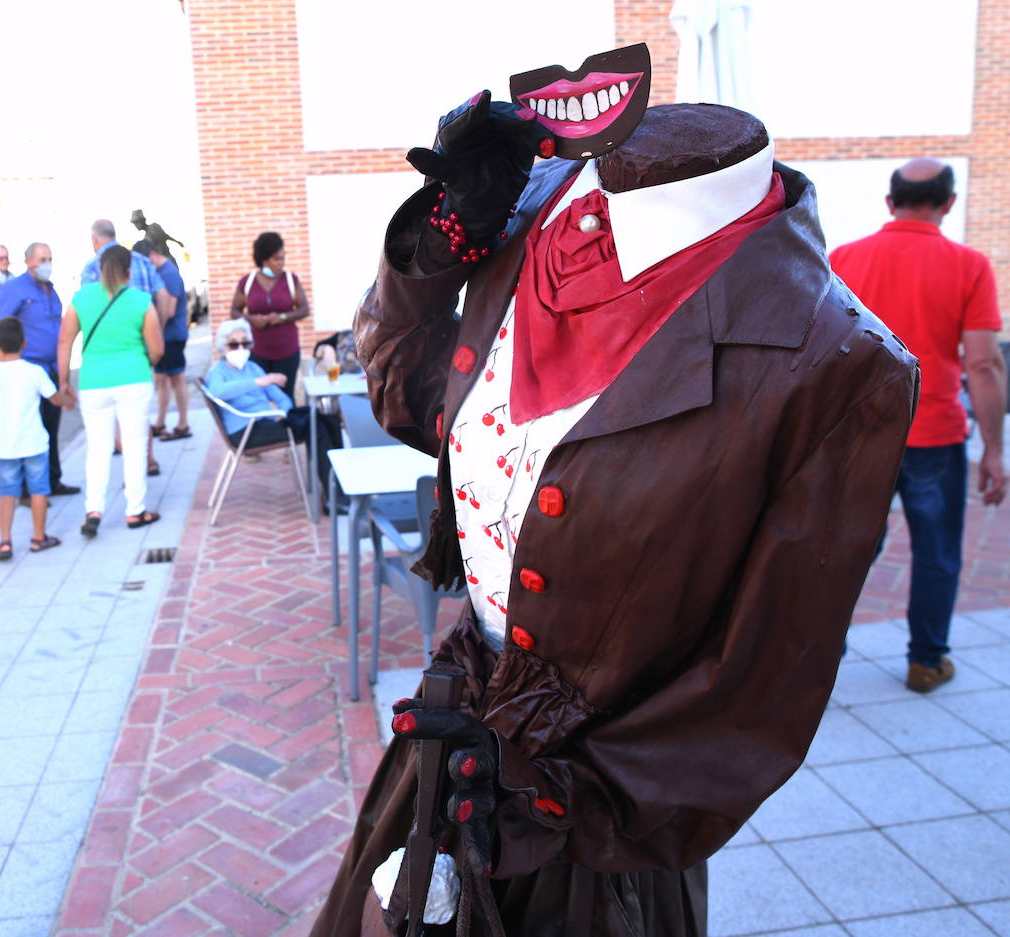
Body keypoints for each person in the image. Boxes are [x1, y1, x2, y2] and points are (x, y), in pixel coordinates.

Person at [312, 51, 917, 936]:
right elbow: (409, 399)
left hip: (593, 823)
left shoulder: (836, 361)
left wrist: (557, 799)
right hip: (450, 739)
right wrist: (437, 247)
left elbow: (759, 687)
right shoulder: (527, 218)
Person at [830, 158, 1008, 694]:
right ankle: (926, 662)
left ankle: (819, 657)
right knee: (936, 551)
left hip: (858, 434)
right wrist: (995, 451)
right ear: (948, 203)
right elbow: (983, 364)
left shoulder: (843, 258)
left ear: (890, 202)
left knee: (844, 550)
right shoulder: (969, 265)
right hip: (933, 432)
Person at [58, 243, 163, 537]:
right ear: (128, 272)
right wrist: (143, 362)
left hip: (94, 383)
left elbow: (64, 341)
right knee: (134, 445)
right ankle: (135, 511)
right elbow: (157, 349)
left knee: (98, 448)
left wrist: (63, 381)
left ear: (101, 269)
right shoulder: (141, 301)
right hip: (134, 379)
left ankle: (94, 510)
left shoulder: (81, 298)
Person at [0, 242, 79, 496]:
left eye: (49, 258)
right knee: (30, 429)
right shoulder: (15, 289)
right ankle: (28, 489)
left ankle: (52, 480)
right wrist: (5, 357)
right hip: (28, 370)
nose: (46, 263)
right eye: (41, 259)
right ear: (28, 262)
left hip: (50, 370)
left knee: (51, 427)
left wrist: (63, 375)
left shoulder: (50, 289)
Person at [205, 318, 339, 493]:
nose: (241, 349)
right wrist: (259, 382)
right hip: (245, 431)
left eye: (245, 344)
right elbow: (217, 392)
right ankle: (334, 495)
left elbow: (281, 398)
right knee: (316, 426)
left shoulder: (252, 368)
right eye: (234, 345)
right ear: (223, 348)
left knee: (328, 421)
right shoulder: (217, 373)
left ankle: (339, 485)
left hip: (267, 422)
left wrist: (284, 413)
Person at [0, 316, 67, 560]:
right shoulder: (34, 372)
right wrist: (64, 394)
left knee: (7, 492)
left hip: (6, 446)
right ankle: (38, 537)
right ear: (25, 343)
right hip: (35, 442)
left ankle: (5, 541)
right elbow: (55, 399)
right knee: (39, 490)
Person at [229, 231, 308, 400]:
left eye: (282, 258)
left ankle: (288, 427)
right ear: (264, 259)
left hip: (287, 351)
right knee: (260, 397)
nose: (281, 263)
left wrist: (282, 317)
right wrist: (251, 319)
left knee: (286, 398)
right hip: (257, 352)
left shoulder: (290, 280)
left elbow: (304, 309)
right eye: (276, 259)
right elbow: (234, 312)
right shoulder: (247, 282)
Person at [136, 239, 191, 440]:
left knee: (177, 379)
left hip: (171, 336)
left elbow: (169, 309)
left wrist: (153, 330)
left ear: (151, 255)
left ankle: (183, 424)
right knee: (161, 380)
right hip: (162, 336)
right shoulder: (159, 272)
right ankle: (160, 422)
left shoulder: (169, 273)